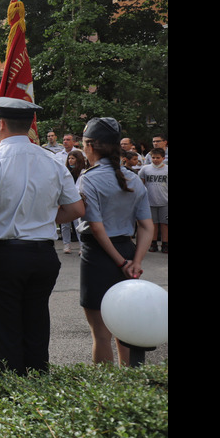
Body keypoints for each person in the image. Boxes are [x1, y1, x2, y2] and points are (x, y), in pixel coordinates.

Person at [0, 98, 84, 375]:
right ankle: (38, 380)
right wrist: (42, 218)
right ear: (30, 126)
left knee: (4, 329)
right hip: (42, 255)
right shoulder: (52, 161)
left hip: (3, 256)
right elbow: (77, 208)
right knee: (36, 322)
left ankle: (11, 393)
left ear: (0, 124)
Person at [76, 117, 153, 365]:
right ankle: (126, 389)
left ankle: (103, 396)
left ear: (92, 146)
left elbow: (97, 229)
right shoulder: (133, 178)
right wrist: (135, 261)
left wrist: (121, 262)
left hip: (99, 256)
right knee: (125, 329)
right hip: (127, 251)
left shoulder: (88, 178)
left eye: (84, 142)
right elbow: (146, 226)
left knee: (101, 334)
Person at [139, 148, 168, 253]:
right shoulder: (145, 169)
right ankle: (153, 243)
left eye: (158, 158)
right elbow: (140, 184)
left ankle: (165, 243)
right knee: (153, 223)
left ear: (163, 158)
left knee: (165, 223)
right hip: (150, 201)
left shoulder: (167, 169)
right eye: (153, 157)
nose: (155, 160)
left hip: (165, 201)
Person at [61, 149, 87, 254]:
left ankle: (82, 246)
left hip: (78, 199)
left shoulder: (84, 172)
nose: (70, 160)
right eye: (69, 158)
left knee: (78, 223)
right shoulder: (65, 171)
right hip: (66, 199)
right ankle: (66, 245)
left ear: (78, 159)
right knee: (65, 224)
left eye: (73, 158)